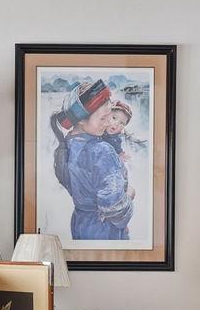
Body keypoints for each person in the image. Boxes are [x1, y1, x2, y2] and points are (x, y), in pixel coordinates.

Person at [50, 79, 136, 241]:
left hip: (80, 224)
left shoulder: (66, 146)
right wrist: (130, 193)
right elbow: (114, 209)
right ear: (81, 119)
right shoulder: (102, 151)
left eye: (110, 117)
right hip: (104, 231)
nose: (108, 124)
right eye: (103, 118)